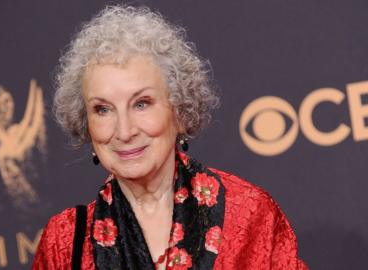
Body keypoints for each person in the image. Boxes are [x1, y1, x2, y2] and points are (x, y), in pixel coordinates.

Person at [33, 5, 307, 270]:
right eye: (103, 110)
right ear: (86, 123)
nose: (125, 131)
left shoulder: (249, 214)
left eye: (141, 104)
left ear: (179, 109)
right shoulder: (65, 242)